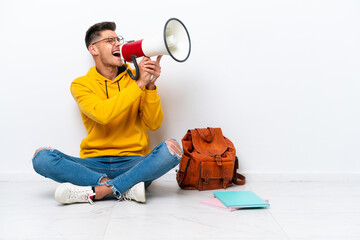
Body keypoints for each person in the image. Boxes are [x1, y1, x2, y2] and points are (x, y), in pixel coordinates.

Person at [32, 21, 182, 205]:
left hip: (133, 163)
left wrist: (150, 86)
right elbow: (103, 114)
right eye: (110, 40)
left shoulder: (136, 77)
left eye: (118, 39)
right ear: (93, 49)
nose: (118, 44)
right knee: (41, 158)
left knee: (172, 149)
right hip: (93, 165)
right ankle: (124, 188)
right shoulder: (81, 84)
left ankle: (100, 190)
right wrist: (140, 85)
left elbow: (153, 123)